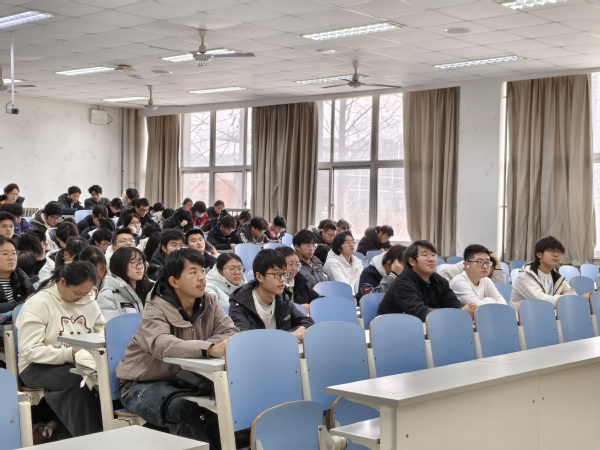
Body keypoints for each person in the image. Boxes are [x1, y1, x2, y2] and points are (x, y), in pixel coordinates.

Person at [117, 249, 239, 450]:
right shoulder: (155, 306)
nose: (201, 277)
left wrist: (209, 347)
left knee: (224, 404)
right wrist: (208, 348)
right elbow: (161, 343)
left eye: (202, 270)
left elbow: (230, 332)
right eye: (193, 272)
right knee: (184, 409)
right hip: (141, 384)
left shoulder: (209, 301)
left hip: (185, 380)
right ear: (174, 281)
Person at [16, 261, 105, 437]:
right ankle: (94, 439)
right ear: (62, 282)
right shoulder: (39, 303)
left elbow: (102, 331)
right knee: (76, 381)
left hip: (80, 359)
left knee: (108, 377)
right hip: (36, 365)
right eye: (77, 293)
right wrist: (68, 353)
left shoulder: (88, 299)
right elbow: (29, 350)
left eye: (87, 293)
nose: (81, 298)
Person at [377, 240, 477, 321]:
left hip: (425, 329)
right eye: (424, 255)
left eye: (433, 255)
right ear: (412, 261)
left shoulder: (439, 280)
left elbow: (453, 304)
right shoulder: (402, 283)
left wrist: (465, 309)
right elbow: (421, 313)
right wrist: (459, 314)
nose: (431, 259)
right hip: (393, 330)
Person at [229, 249, 314, 339]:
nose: (283, 279)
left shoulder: (283, 298)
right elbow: (246, 339)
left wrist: (285, 336)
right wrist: (289, 336)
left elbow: (308, 323)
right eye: (277, 274)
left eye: (284, 274)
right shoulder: (240, 302)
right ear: (259, 276)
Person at [509, 236, 583, 310]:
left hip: (544, 313)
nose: (556, 255)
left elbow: (572, 294)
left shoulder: (557, 277)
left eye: (559, 252)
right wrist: (566, 299)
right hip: (522, 315)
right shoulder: (526, 275)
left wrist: (570, 299)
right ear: (539, 254)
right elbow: (541, 300)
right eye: (551, 251)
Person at [97, 247, 151, 321]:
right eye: (134, 263)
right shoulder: (107, 296)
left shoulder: (150, 288)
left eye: (140, 262)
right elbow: (112, 325)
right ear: (120, 265)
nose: (139, 267)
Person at [275, 246, 320, 315]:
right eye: (290, 264)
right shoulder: (273, 286)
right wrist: (299, 309)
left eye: (297, 265)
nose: (294, 268)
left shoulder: (301, 281)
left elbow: (318, 299)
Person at [0, 236, 35, 313]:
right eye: (5, 254)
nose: (11, 258)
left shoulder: (19, 274)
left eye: (13, 253)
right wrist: (20, 304)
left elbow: (34, 296)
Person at [439, 251, 507, 284]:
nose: (487, 275)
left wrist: (498, 265)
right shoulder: (453, 271)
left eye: (490, 275)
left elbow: (500, 289)